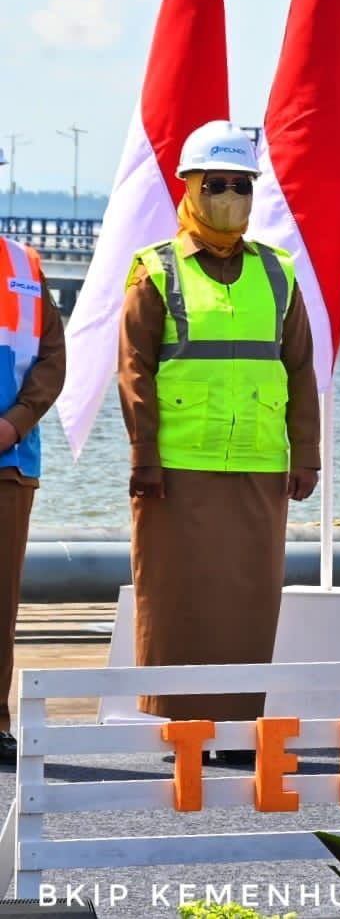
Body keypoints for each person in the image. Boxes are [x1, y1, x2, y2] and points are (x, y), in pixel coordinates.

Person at [117, 120, 319, 759]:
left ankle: (236, 731)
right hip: (177, 467)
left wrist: (305, 455)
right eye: (217, 184)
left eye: (241, 185)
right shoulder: (156, 270)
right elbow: (134, 371)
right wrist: (144, 457)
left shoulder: (279, 273)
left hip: (259, 462)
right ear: (190, 188)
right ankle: (178, 729)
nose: (230, 196)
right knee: (176, 601)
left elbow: (301, 370)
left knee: (248, 603)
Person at [0, 178, 67, 766]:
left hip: (8, 463)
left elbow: (51, 359)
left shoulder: (25, 265)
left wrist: (14, 423)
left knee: (0, 601)